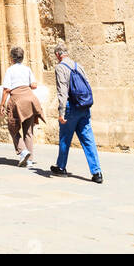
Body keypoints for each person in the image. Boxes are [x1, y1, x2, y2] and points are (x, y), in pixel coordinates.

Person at [49, 42, 103, 183]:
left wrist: (61, 112)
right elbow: (87, 84)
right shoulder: (79, 66)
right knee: (88, 139)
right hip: (84, 107)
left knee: (65, 138)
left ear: (57, 55)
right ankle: (97, 172)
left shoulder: (60, 68)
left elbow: (62, 91)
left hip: (71, 107)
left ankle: (61, 167)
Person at [0, 45, 45, 166]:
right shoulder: (27, 69)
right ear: (22, 58)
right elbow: (34, 85)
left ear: (12, 58)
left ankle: (23, 151)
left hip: (17, 100)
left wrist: (2, 105)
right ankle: (29, 160)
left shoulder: (10, 70)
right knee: (28, 130)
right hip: (30, 99)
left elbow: (6, 89)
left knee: (12, 127)